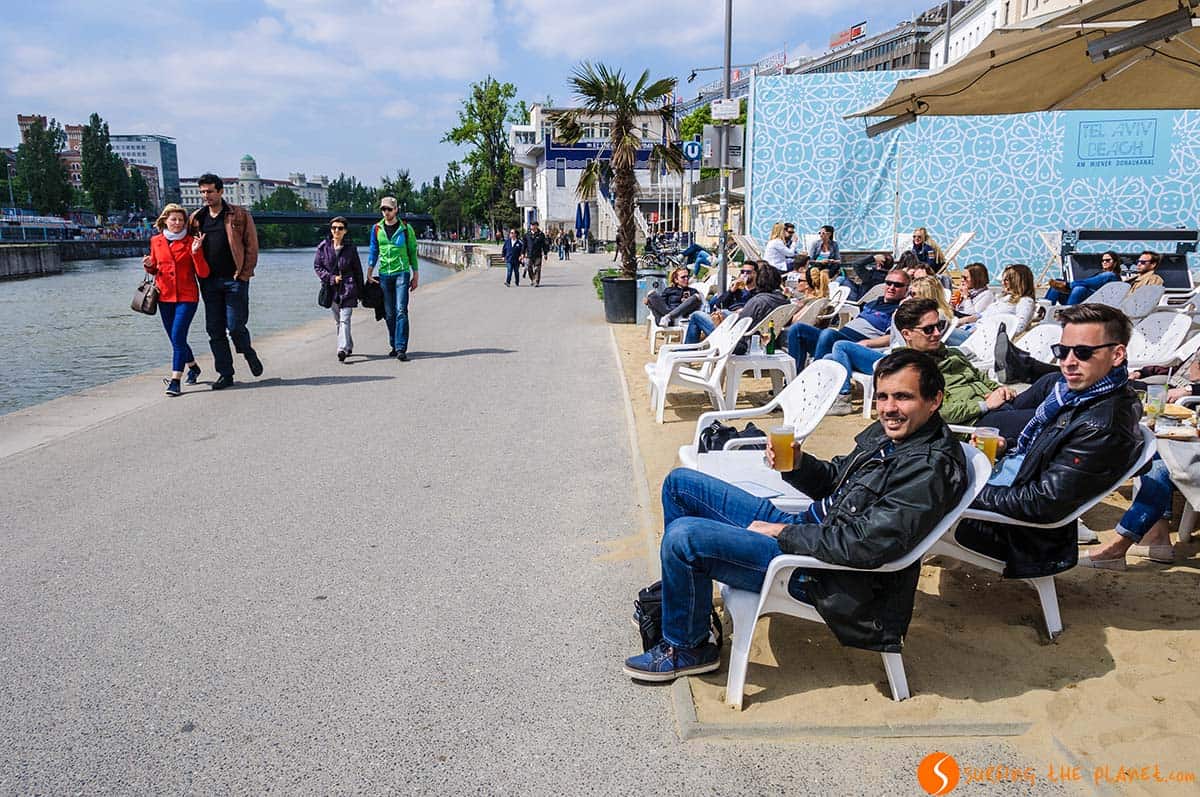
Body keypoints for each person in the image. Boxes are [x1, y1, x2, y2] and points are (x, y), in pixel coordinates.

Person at [623, 349, 967, 681]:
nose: (889, 408)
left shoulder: (928, 468)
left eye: (903, 397)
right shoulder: (896, 436)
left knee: (684, 538)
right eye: (883, 397)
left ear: (934, 400)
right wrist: (799, 465)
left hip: (824, 574)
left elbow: (866, 544)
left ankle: (688, 648)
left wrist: (782, 533)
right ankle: (688, 615)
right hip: (808, 529)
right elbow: (837, 480)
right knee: (680, 485)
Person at [954, 304, 1143, 579]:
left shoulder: (1101, 425)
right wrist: (1009, 445)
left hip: (1017, 536)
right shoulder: (1079, 396)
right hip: (1006, 485)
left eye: (1083, 352)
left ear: (1117, 355)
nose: (1068, 362)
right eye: (1062, 351)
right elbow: (1046, 452)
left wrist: (960, 491)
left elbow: (1042, 503)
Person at [188, 173, 261, 390]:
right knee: (214, 330)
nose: (206, 196)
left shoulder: (239, 214)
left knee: (235, 326)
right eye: (202, 192)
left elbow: (251, 246)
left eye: (210, 191)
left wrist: (244, 274)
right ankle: (225, 374)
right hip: (209, 282)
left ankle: (247, 351)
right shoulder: (197, 218)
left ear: (220, 191)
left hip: (234, 279)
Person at [786, 268, 909, 373]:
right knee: (797, 329)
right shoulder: (873, 302)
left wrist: (867, 343)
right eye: (889, 283)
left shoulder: (899, 310)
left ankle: (816, 376)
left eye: (897, 285)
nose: (891, 287)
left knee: (828, 333)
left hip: (855, 346)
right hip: (836, 339)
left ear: (906, 289)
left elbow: (891, 337)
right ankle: (796, 376)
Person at [143, 203, 209, 396]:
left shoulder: (192, 242)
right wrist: (149, 265)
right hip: (164, 296)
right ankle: (193, 367)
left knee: (178, 336)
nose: (178, 223)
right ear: (165, 220)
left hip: (187, 297)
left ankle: (175, 381)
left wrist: (196, 252)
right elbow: (156, 269)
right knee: (175, 338)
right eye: (174, 219)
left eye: (181, 220)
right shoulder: (156, 241)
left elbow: (203, 273)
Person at [683, 261, 787, 353]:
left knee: (696, 315)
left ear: (758, 278)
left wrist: (723, 321)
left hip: (738, 342)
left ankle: (685, 354)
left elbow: (740, 324)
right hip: (757, 337)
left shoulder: (757, 301)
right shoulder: (783, 301)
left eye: (748, 272)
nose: (744, 275)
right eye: (742, 272)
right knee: (722, 313)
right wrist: (730, 291)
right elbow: (717, 304)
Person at [366, 197, 420, 361]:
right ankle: (394, 344)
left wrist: (415, 274)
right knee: (389, 313)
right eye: (383, 209)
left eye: (389, 209)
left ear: (396, 210)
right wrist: (369, 272)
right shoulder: (377, 229)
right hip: (384, 274)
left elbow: (412, 251)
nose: (386, 212)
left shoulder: (406, 229)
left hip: (402, 273)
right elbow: (373, 251)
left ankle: (401, 347)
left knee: (401, 310)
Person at [314, 216, 365, 362]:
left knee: (345, 319)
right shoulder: (323, 247)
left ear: (345, 231)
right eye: (334, 228)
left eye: (340, 228)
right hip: (332, 289)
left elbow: (357, 270)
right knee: (338, 320)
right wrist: (331, 278)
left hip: (348, 287)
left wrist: (361, 291)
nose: (336, 230)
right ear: (331, 230)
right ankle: (348, 345)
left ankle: (341, 349)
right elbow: (317, 267)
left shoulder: (351, 248)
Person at [947, 263, 1036, 346]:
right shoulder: (1005, 298)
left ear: (1018, 281)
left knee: (942, 334)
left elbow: (1018, 327)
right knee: (943, 329)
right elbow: (981, 315)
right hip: (972, 330)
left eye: (1006, 280)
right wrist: (960, 321)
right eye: (1003, 279)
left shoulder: (1025, 301)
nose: (1002, 283)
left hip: (982, 340)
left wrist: (988, 331)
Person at [1044, 250, 1121, 305]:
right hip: (1081, 299)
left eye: (1108, 260)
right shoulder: (1099, 274)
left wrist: (1070, 285)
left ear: (1115, 263)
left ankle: (1068, 315)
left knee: (1079, 288)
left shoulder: (1114, 276)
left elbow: (1092, 283)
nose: (1104, 262)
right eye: (1103, 260)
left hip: (1099, 299)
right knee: (1057, 284)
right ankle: (1043, 310)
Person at [521, 220, 550, 287]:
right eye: (532, 225)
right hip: (529, 254)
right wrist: (522, 253)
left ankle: (536, 281)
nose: (533, 226)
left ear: (537, 226)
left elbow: (544, 245)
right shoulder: (527, 235)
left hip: (538, 254)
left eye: (534, 225)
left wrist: (545, 253)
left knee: (537, 268)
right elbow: (524, 245)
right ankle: (533, 279)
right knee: (529, 268)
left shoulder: (541, 235)